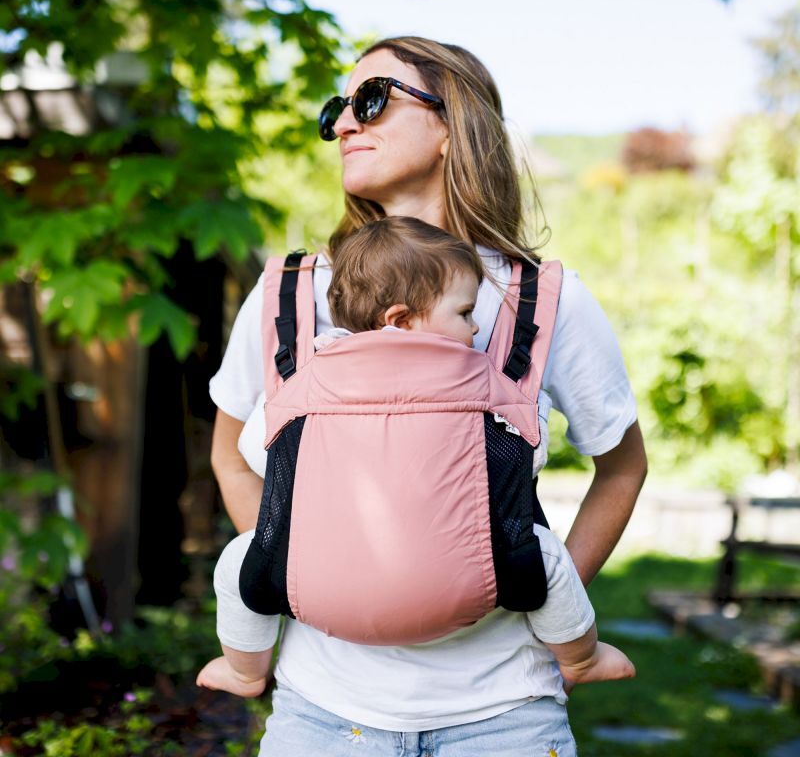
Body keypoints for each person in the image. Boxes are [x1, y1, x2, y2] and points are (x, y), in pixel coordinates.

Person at [207, 37, 647, 756]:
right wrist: (302, 559)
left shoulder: (536, 301)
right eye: (337, 110)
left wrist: (546, 597)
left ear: (453, 125)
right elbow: (231, 458)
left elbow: (621, 468)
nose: (345, 123)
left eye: (372, 100)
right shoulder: (288, 294)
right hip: (323, 713)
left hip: (504, 714)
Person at [197, 216, 635, 701]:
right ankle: (580, 656)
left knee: (238, 561)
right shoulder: (483, 381)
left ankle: (244, 670)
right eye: (466, 313)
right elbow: (524, 455)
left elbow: (259, 448)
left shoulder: (309, 376)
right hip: (473, 582)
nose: (475, 328)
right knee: (547, 556)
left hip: (321, 581)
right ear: (402, 320)